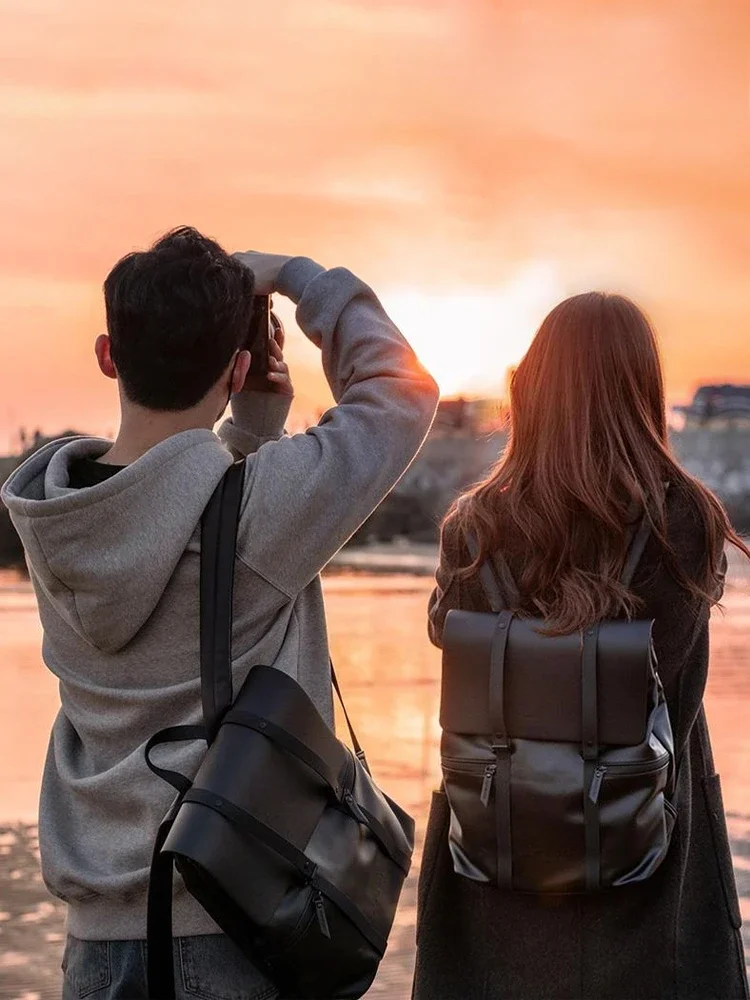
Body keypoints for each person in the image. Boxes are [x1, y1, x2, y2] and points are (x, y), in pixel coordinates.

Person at [1, 226, 439, 999]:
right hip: (228, 924)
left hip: (95, 948)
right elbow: (402, 392)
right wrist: (297, 275)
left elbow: (169, 517)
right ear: (237, 369)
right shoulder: (265, 513)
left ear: (109, 356)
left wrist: (251, 433)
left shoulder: (54, 514)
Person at [414, 292, 749, 1000]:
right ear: (642, 389)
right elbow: (675, 696)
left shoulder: (472, 530)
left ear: (532, 387)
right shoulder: (683, 525)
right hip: (647, 888)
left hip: (492, 881)